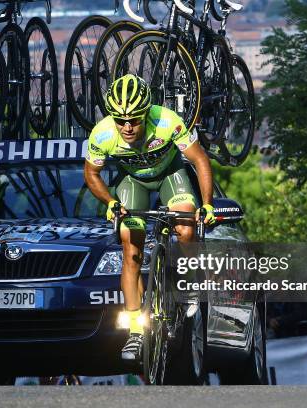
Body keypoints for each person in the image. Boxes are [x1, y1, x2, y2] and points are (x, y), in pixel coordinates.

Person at [83, 74, 215, 361]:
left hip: (170, 175)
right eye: (120, 120)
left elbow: (200, 160)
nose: (127, 127)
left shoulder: (167, 121)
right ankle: (135, 332)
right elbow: (91, 174)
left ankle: (187, 286)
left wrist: (206, 204)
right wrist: (110, 201)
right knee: (131, 250)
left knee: (187, 229)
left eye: (135, 120)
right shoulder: (102, 134)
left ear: (147, 113)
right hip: (133, 183)